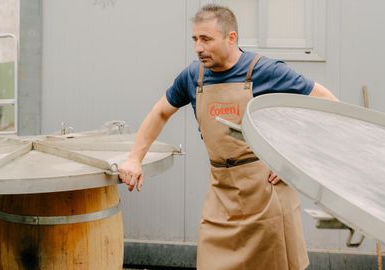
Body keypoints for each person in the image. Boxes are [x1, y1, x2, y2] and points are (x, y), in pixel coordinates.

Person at [119, 4, 338, 270]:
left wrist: (295, 159)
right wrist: (134, 158)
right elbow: (160, 112)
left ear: (231, 38)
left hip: (266, 196)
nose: (198, 47)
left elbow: (328, 104)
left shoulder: (265, 71)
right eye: (195, 39)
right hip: (220, 197)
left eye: (206, 39)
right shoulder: (193, 77)